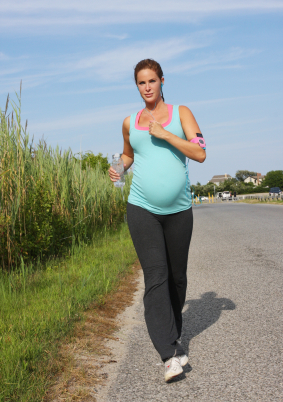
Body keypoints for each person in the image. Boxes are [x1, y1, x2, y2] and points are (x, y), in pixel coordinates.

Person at [108, 59, 206, 382]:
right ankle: (168, 354)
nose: (147, 87)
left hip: (179, 211)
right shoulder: (129, 122)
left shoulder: (182, 113)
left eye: (152, 80)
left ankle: (173, 336)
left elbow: (200, 152)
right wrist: (119, 169)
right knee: (156, 276)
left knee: (177, 278)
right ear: (136, 86)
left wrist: (165, 134)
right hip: (142, 208)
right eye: (141, 83)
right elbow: (129, 155)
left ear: (162, 80)